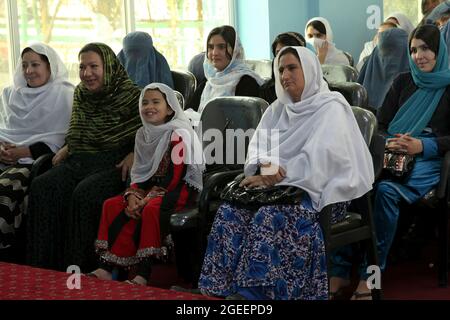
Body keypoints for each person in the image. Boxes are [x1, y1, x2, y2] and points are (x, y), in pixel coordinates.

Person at [197, 46, 374, 300]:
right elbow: (258, 149)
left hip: (323, 192)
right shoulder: (278, 109)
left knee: (269, 216)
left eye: (292, 68)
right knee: (229, 211)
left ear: (310, 70)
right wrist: (268, 172)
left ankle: (254, 295)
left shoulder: (332, 108)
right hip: (279, 189)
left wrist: (277, 175)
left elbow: (321, 159)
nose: (284, 75)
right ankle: (218, 290)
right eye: (280, 69)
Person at [330, 24, 450, 300]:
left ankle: (370, 276)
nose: (419, 55)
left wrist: (422, 145)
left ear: (439, 51)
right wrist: (391, 141)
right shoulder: (402, 82)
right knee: (353, 184)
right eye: (414, 49)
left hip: (429, 163)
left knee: (384, 192)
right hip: (391, 157)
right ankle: (338, 269)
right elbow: (380, 125)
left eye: (426, 48)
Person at [26, 43, 142, 271]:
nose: (87, 74)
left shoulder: (131, 95)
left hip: (114, 162)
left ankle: (80, 268)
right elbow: (79, 130)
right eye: (82, 67)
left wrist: (134, 153)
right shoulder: (80, 92)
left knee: (84, 194)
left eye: (93, 66)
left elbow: (146, 134)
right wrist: (68, 147)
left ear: (108, 67)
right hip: (80, 159)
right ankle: (43, 267)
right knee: (42, 186)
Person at [87, 83, 204, 285]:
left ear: (169, 109)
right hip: (150, 189)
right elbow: (139, 173)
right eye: (145, 102)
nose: (149, 106)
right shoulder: (143, 134)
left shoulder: (179, 134)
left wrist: (146, 199)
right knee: (112, 204)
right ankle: (107, 268)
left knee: (150, 210)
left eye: (156, 102)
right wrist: (132, 194)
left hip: (176, 190)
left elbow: (175, 177)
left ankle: (144, 273)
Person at [0, 43, 74, 255]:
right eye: (24, 65)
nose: (29, 71)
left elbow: (60, 139)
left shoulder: (64, 95)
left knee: (4, 190)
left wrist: (21, 152)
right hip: (5, 156)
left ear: (50, 67)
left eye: (35, 64)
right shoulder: (10, 94)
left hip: (35, 162)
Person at [184, 25, 264, 117]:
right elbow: (187, 113)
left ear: (235, 51)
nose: (214, 53)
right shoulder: (209, 81)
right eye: (210, 47)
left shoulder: (246, 81)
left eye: (221, 47)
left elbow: (244, 122)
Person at [357, 28, 410, 110]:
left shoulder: (417, 89)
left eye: (396, 52)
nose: (390, 60)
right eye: (386, 51)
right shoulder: (357, 95)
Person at [259, 32, 307, 104]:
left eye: (292, 68)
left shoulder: (318, 85)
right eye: (278, 53)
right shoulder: (267, 90)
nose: (285, 76)